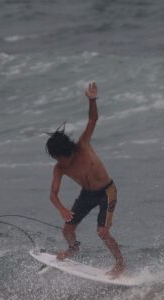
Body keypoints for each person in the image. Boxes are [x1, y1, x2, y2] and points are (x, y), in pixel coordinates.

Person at [45, 81, 126, 278]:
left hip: (107, 191)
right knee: (67, 230)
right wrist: (62, 209)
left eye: (60, 158)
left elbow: (93, 119)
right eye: (56, 159)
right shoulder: (59, 168)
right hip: (87, 195)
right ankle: (73, 248)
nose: (59, 162)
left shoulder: (83, 145)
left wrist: (92, 100)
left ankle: (120, 264)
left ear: (68, 151)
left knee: (102, 232)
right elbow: (53, 194)